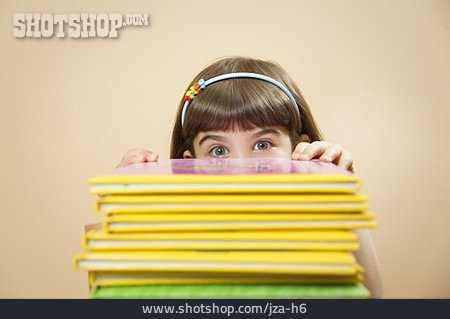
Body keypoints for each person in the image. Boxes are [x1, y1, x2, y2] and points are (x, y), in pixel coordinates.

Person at [114, 56, 383, 297]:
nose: (242, 167)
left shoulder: (317, 224)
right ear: (192, 165)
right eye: (219, 150)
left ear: (299, 148)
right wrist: (123, 216)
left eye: (262, 144)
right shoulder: (175, 234)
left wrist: (343, 203)